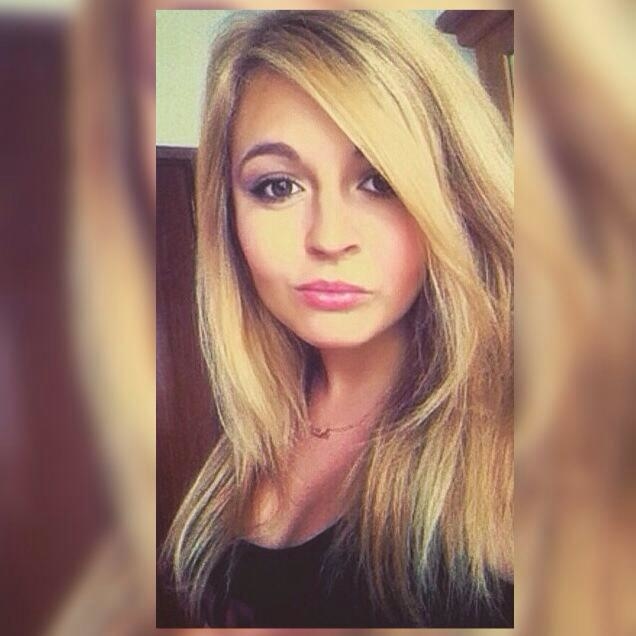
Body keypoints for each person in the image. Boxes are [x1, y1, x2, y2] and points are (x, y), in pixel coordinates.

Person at [161, 9, 513, 628]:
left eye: (379, 181)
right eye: (277, 187)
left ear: (456, 198)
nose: (328, 238)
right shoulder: (257, 424)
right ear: (227, 216)